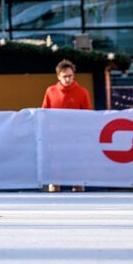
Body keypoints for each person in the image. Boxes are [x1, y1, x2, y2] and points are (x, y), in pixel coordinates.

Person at [42, 59, 92, 192]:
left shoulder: (82, 92)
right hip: (55, 137)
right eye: (65, 76)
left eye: (70, 76)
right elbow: (44, 112)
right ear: (58, 76)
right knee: (55, 164)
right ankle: (54, 186)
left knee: (76, 163)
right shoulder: (50, 91)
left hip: (75, 137)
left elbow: (88, 115)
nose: (68, 79)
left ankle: (78, 186)